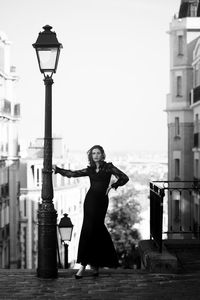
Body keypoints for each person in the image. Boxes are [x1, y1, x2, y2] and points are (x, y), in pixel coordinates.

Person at [53, 145, 129, 279]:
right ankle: (85, 265)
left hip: (102, 202)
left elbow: (124, 177)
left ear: (102, 154)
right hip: (90, 201)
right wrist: (58, 169)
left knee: (97, 230)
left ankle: (94, 264)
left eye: (98, 153)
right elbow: (73, 174)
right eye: (93, 153)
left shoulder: (109, 167)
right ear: (91, 156)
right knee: (88, 230)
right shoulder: (90, 169)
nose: (96, 155)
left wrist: (113, 186)